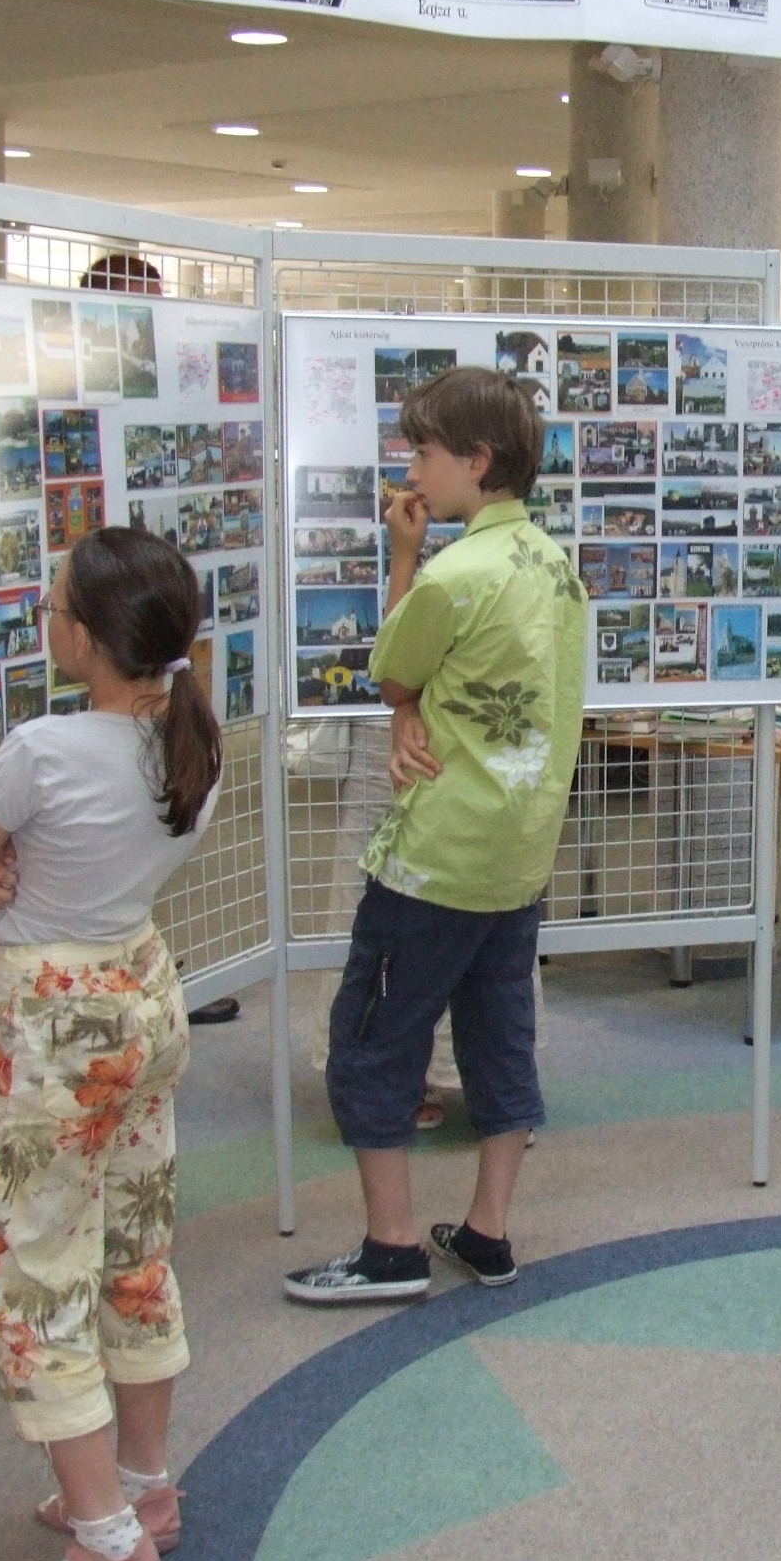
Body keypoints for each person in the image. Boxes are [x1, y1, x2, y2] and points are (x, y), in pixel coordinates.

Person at [0, 526, 219, 1561]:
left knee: (35, 1265)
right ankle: (143, 1484)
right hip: (141, 995)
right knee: (133, 1247)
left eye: (55, 608)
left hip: (51, 1028)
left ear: (87, 640)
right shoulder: (192, 744)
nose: (47, 619)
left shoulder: (42, 751)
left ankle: (107, 1542)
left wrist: (3, 872)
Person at [284, 367, 586, 1306]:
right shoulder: (557, 567)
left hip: (436, 855)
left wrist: (403, 558)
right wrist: (417, 704)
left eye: (423, 451)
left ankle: (391, 1248)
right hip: (518, 854)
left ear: (477, 460)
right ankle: (488, 1230)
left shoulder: (455, 575)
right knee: (501, 1037)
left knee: (371, 1039)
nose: (411, 469)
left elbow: (391, 670)